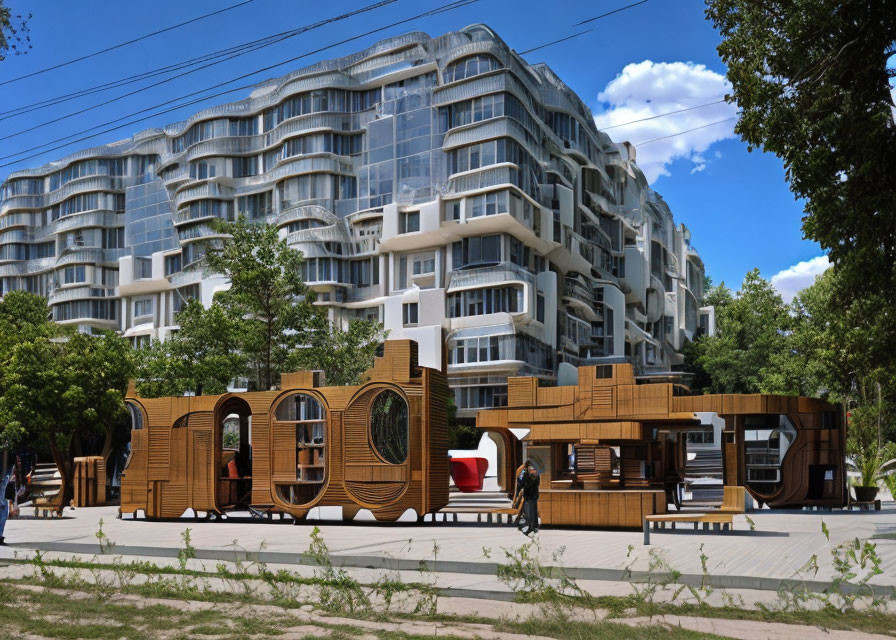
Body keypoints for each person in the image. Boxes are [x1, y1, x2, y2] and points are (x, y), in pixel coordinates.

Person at [518, 460, 540, 535]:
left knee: (529, 512)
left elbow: (525, 484)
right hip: (534, 495)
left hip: (529, 495)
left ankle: (531, 527)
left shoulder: (530, 474)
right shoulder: (535, 473)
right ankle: (535, 527)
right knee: (534, 511)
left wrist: (522, 478)